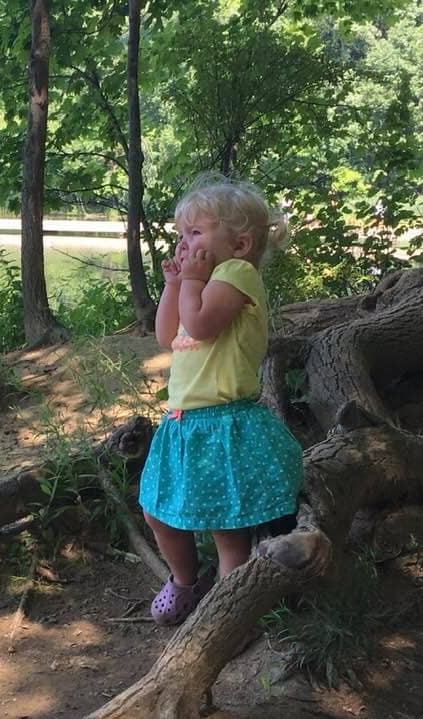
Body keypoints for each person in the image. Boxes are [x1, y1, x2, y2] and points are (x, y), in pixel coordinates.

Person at [139, 175, 304, 626]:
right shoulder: (204, 278)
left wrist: (191, 280)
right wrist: (176, 285)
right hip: (184, 422)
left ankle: (230, 618)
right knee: (158, 511)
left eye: (195, 233)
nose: (184, 243)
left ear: (241, 242)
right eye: (180, 236)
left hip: (224, 423)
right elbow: (168, 334)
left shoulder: (238, 273)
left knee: (228, 530)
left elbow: (204, 325)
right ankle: (185, 582)